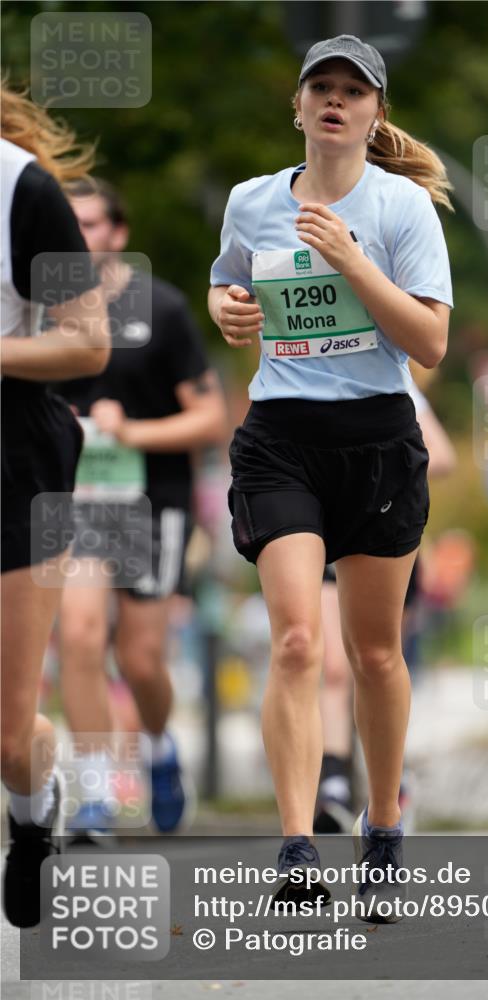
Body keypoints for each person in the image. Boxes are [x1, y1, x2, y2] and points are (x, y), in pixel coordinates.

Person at [208, 35, 453, 921]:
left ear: (376, 113)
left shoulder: (402, 209)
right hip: (280, 437)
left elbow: (427, 344)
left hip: (377, 441)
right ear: (299, 106)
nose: (337, 101)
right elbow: (227, 284)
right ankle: (297, 844)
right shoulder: (249, 201)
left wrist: (352, 260)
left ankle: (383, 828)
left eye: (355, 90)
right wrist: (230, 310)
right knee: (296, 643)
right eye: (323, 87)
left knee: (375, 652)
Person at [55, 177, 226, 836]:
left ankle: (157, 748)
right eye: (67, 224)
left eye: (92, 224)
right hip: (78, 501)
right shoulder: (39, 309)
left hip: (152, 497)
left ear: (118, 233)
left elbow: (210, 418)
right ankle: (94, 794)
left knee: (141, 658)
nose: (79, 237)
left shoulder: (161, 308)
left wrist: (132, 432)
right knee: (78, 635)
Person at [1, 85, 110, 927]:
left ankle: (34, 812)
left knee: (8, 737)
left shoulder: (24, 190)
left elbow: (87, 339)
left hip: (15, 457)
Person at [314, 377, 457, 834]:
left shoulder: (393, 380)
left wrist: (383, 468)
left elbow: (444, 455)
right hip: (325, 537)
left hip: (384, 530)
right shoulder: (302, 372)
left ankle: (391, 782)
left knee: (376, 663)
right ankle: (333, 782)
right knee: (333, 668)